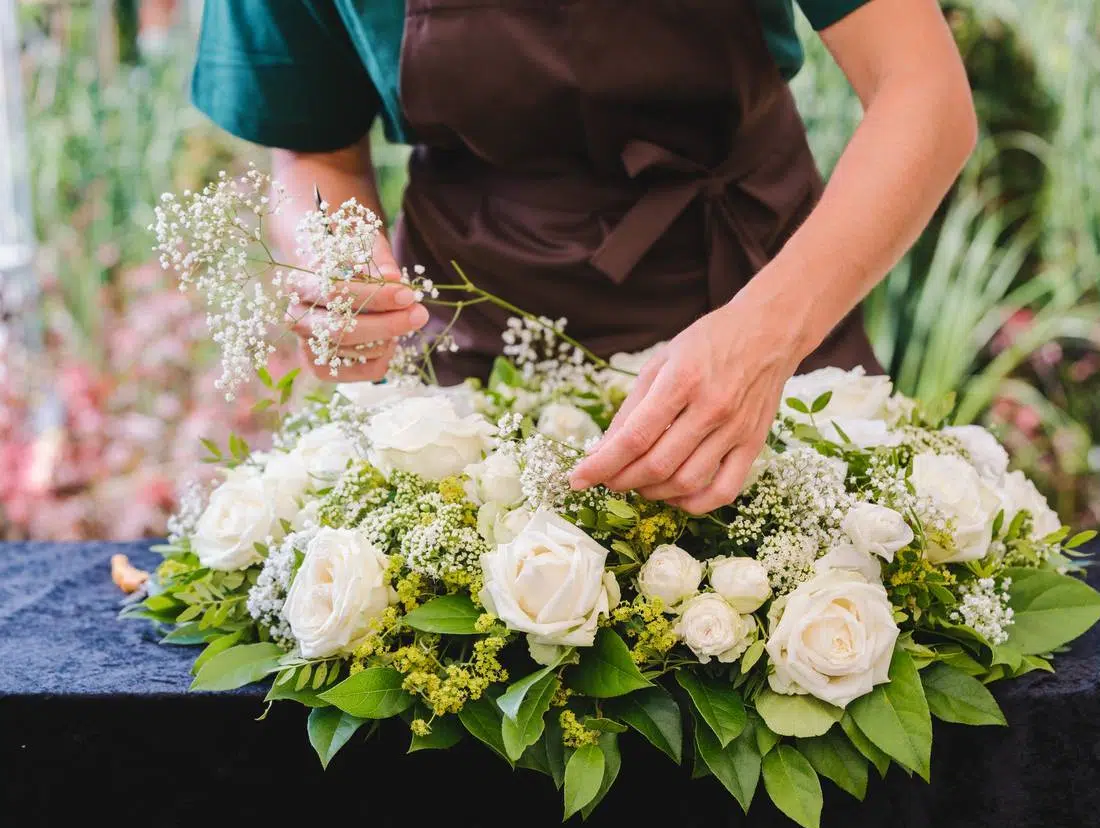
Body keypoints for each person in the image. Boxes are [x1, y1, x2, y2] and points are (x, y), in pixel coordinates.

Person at [191, 0, 976, 514]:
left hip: (760, 294)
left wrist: (765, 335)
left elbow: (922, 90)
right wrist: (339, 270)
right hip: (468, 337)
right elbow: (315, 150)